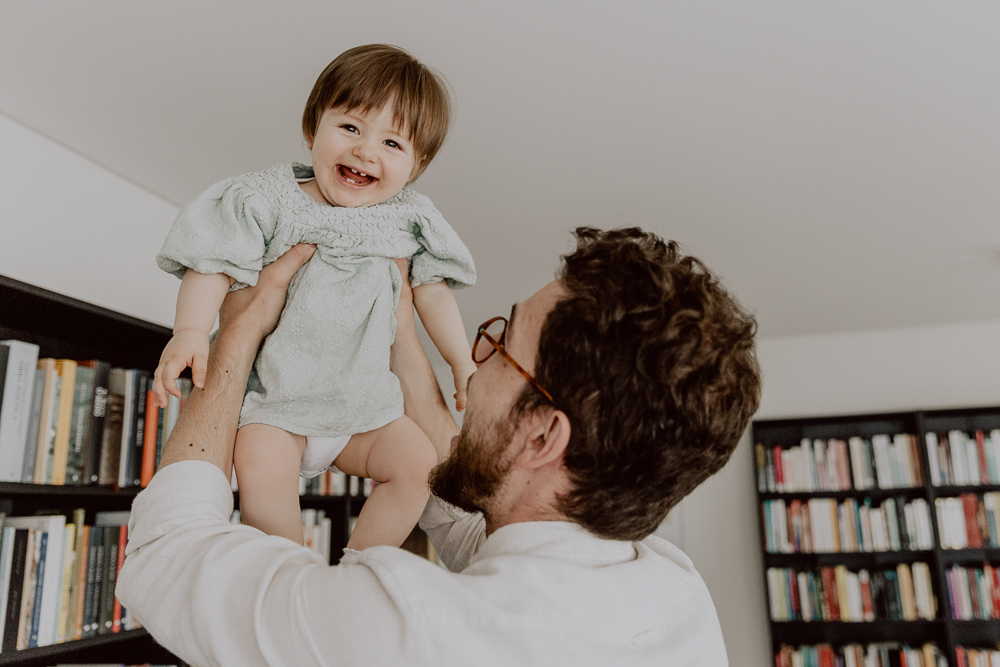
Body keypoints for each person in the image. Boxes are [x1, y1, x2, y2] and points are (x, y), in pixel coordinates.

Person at [117, 227, 762, 666]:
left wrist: (239, 330)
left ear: (544, 435)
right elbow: (473, 513)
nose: (476, 365)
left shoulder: (415, 629)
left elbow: (164, 553)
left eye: (502, 346)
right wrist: (401, 331)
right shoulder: (672, 587)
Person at [151, 44, 476, 549]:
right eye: (350, 127)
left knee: (420, 465)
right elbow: (211, 263)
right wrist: (190, 331)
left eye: (392, 143)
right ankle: (289, 572)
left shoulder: (409, 218)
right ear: (312, 129)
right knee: (260, 471)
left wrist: (461, 362)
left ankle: (360, 567)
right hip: (276, 405)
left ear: (418, 164)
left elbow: (431, 294)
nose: (365, 151)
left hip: (366, 410)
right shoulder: (266, 199)